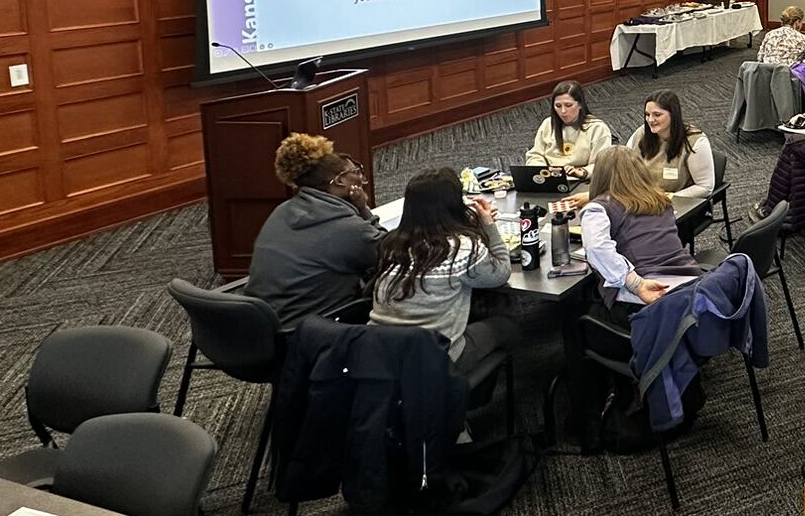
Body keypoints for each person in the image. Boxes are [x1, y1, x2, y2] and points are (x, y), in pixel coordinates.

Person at [368, 168, 516, 374]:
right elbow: (500, 273)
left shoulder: (391, 244)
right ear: (455, 204)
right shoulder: (462, 248)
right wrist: (488, 225)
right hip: (435, 359)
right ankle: (472, 393)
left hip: (378, 354)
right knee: (508, 326)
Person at [246, 134, 383, 332]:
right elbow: (395, 253)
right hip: (305, 336)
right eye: (356, 172)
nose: (361, 178)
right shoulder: (348, 228)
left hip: (259, 329)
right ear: (340, 181)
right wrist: (364, 210)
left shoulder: (282, 211)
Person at [580, 146, 704, 313]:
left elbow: (596, 248)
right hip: (691, 284)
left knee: (581, 303)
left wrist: (635, 284)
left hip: (648, 295)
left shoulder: (599, 208)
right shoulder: (660, 199)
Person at [597, 89, 715, 204]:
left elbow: (705, 187)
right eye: (647, 115)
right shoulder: (642, 132)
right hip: (641, 199)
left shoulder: (695, 141)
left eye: (657, 115)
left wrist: (668, 197)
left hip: (674, 203)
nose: (650, 120)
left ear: (673, 115)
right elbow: (624, 167)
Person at [523, 79, 613, 176]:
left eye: (568, 105)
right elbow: (535, 154)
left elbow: (601, 165)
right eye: (558, 106)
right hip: (550, 177)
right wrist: (542, 170)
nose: (563, 111)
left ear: (580, 105)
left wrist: (582, 172)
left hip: (582, 181)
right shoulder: (548, 124)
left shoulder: (597, 128)